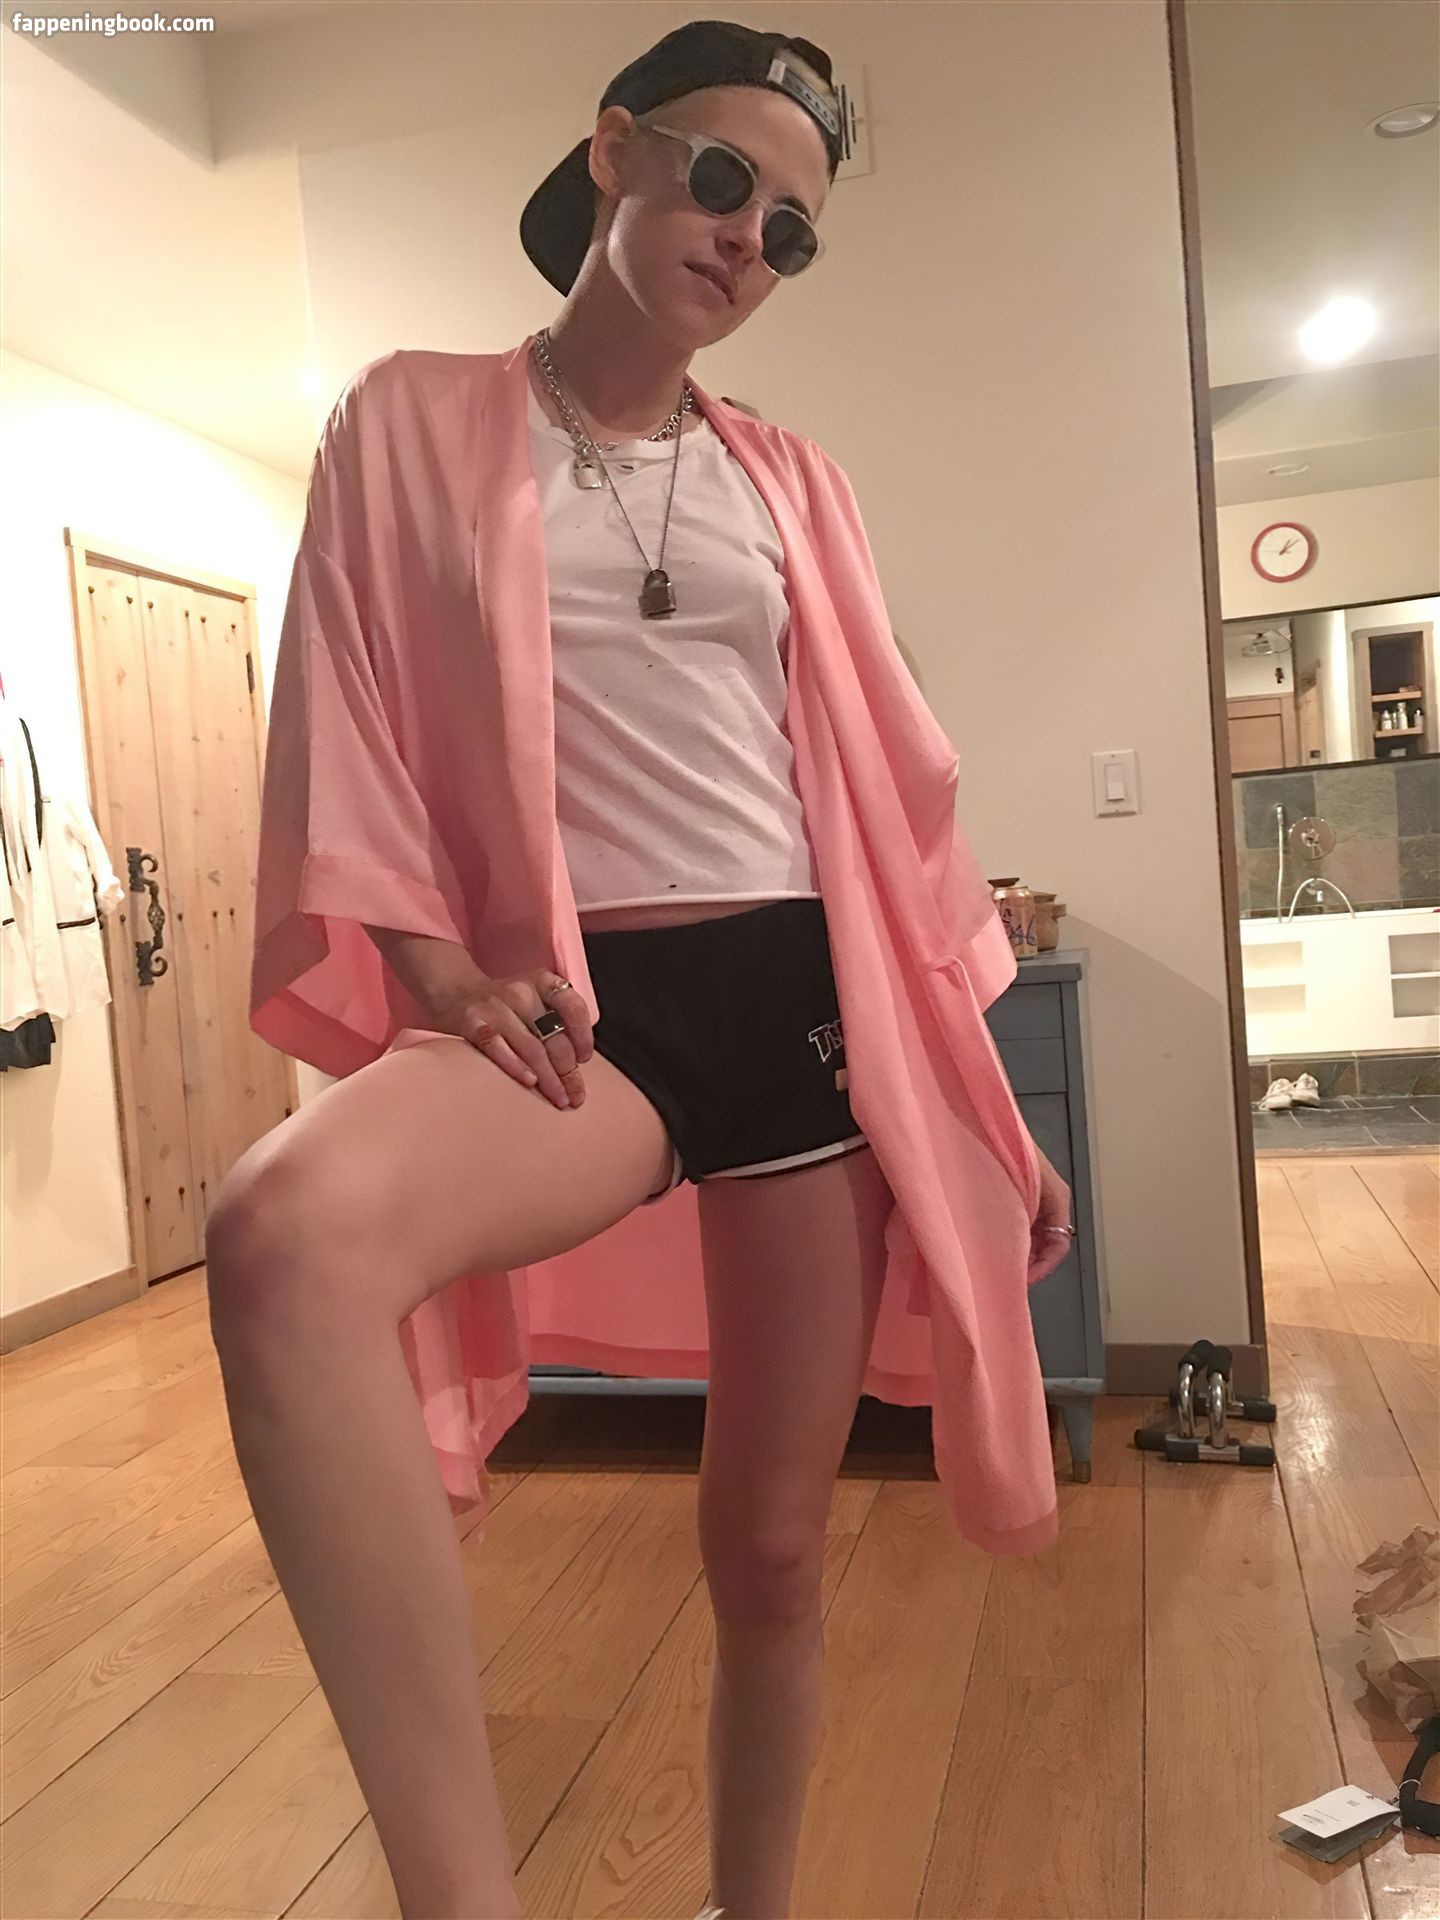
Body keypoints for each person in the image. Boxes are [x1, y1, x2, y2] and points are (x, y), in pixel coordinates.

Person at [206, 20, 1076, 1920]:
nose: (750, 238)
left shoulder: (795, 481)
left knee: (769, 1554)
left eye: (793, 230)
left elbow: (894, 795)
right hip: (585, 1014)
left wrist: (981, 1111)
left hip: (814, 1011)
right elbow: (345, 705)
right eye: (723, 178)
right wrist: (433, 965)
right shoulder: (409, 419)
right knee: (281, 1237)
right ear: (614, 152)